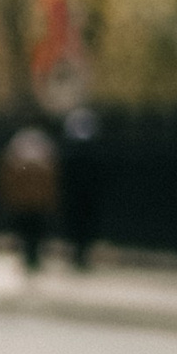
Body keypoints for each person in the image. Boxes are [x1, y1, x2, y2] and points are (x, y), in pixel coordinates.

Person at [0, 121, 60, 272]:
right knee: (32, 233)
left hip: (30, 203)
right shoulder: (40, 147)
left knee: (30, 233)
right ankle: (31, 258)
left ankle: (31, 258)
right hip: (31, 203)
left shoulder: (21, 148)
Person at [57, 106, 104, 272]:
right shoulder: (86, 152)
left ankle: (80, 254)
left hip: (80, 196)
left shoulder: (74, 153)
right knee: (81, 225)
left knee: (80, 225)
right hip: (81, 197)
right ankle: (80, 254)